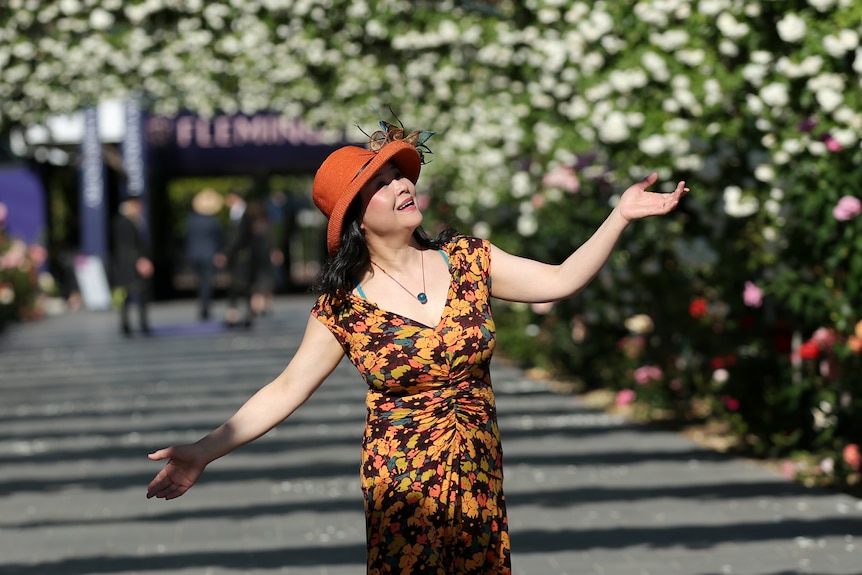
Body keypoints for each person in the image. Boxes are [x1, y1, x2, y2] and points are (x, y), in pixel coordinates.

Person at [146, 124, 689, 573]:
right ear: (357, 216)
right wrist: (203, 450)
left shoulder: (469, 259)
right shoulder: (343, 307)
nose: (402, 185)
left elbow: (561, 279)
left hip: (477, 465)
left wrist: (619, 215)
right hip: (402, 482)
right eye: (381, 183)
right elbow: (286, 388)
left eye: (399, 174)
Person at [112, 195, 153, 336]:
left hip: (126, 263)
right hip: (130, 264)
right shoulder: (126, 222)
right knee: (134, 294)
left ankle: (130, 325)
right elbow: (129, 245)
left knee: (129, 295)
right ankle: (135, 324)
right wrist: (140, 260)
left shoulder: (130, 220)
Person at [216, 190, 254, 327]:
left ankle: (246, 314)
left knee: (243, 285)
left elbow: (239, 236)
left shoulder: (245, 213)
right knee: (234, 285)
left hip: (242, 256)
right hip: (235, 256)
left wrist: (227, 252)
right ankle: (235, 314)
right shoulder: (235, 213)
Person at [185, 188, 224, 321]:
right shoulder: (214, 221)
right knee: (206, 283)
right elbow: (219, 240)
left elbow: (188, 238)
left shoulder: (191, 220)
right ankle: (205, 308)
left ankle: (202, 305)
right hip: (209, 255)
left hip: (195, 255)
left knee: (200, 282)